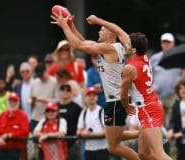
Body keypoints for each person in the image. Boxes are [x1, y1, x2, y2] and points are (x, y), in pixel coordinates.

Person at [51, 13, 139, 159]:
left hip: (116, 101)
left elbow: (77, 45)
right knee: (115, 140)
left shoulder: (109, 48)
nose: (99, 31)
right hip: (115, 101)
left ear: (110, 33)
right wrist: (71, 25)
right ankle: (145, 134)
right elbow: (83, 42)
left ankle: (145, 141)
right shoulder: (108, 47)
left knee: (113, 146)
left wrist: (64, 26)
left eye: (102, 29)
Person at [121, 32, 171, 160]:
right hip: (150, 108)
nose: (124, 44)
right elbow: (123, 35)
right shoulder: (144, 57)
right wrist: (99, 21)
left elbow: (123, 94)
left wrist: (126, 105)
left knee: (158, 154)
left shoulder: (130, 68)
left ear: (133, 49)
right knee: (143, 154)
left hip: (149, 110)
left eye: (128, 43)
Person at [149, 33, 182, 126]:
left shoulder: (179, 58)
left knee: (172, 122)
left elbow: (184, 74)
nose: (166, 44)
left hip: (173, 95)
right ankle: (160, 141)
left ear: (173, 44)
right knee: (158, 122)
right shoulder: (155, 58)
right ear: (161, 44)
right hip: (157, 95)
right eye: (164, 42)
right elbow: (148, 75)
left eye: (168, 42)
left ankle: (171, 140)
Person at [0, 92, 30, 160]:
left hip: (16, 151)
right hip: (1, 151)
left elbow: (25, 131)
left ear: (18, 103)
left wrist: (9, 135)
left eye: (15, 101)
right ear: (7, 102)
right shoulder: (2, 115)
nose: (12, 103)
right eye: (10, 101)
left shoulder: (23, 116)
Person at [77, 87, 109, 160]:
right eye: (89, 95)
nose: (91, 97)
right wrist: (83, 133)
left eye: (94, 95)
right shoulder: (84, 113)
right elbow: (78, 131)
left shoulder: (102, 111)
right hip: (88, 150)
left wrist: (91, 134)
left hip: (102, 149)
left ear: (97, 97)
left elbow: (107, 131)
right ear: (85, 98)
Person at [29, 64, 58, 132]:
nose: (41, 78)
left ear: (46, 71)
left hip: (49, 118)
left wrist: (44, 100)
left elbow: (58, 100)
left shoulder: (54, 82)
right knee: (35, 140)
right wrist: (32, 100)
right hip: (36, 117)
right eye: (39, 76)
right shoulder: (35, 82)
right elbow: (29, 98)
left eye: (41, 76)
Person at [57, 83, 82, 160]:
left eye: (68, 90)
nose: (65, 91)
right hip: (57, 141)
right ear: (59, 92)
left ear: (71, 93)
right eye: (62, 89)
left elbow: (81, 124)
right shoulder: (54, 107)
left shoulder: (76, 108)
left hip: (72, 141)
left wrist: (78, 139)